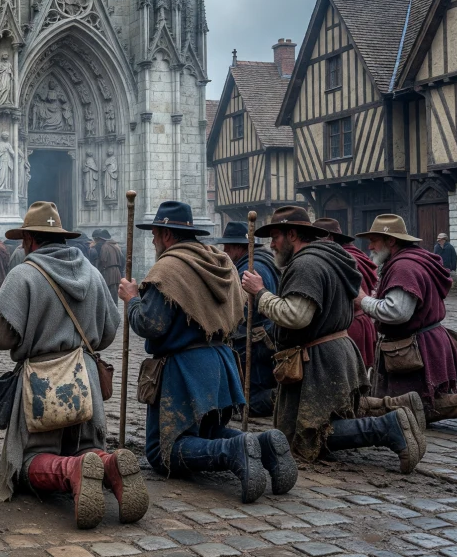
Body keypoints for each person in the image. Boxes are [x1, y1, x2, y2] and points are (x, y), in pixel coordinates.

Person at [0, 202, 147, 528]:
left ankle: (73, 472)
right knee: (86, 447)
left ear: (29, 240)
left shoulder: (24, 274)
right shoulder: (93, 275)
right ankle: (109, 464)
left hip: (42, 385)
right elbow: (109, 330)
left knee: (26, 460)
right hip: (86, 380)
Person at [242, 207, 427, 478]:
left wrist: (260, 293)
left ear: (292, 234)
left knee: (306, 438)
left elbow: (296, 316)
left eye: (276, 236)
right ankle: (398, 408)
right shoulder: (328, 256)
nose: (271, 244)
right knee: (324, 419)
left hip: (319, 358)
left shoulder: (306, 264)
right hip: (335, 350)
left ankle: (390, 427)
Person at [120, 201, 278, 504]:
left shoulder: (168, 268)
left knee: (161, 451)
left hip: (184, 367)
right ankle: (262, 445)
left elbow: (151, 324)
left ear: (166, 234)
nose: (153, 241)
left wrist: (132, 300)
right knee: (206, 431)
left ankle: (235, 450)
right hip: (221, 361)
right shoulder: (220, 261)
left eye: (154, 234)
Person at [355, 214, 457, 438]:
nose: (370, 246)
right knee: (410, 404)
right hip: (425, 340)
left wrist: (363, 301)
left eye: (375, 240)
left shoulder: (404, 267)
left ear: (391, 241)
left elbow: (397, 311)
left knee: (415, 406)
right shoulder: (411, 259)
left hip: (415, 346)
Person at [210, 221, 278, 419]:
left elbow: (244, 309)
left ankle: (276, 400)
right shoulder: (262, 261)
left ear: (238, 248)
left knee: (251, 393)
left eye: (228, 248)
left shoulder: (250, 269)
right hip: (261, 336)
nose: (225, 252)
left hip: (256, 340)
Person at [312, 219, 378, 370]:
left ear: (329, 238)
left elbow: (354, 298)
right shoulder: (350, 254)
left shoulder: (344, 259)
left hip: (350, 325)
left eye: (316, 238)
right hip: (360, 322)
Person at [91, 229, 125, 305]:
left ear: (98, 239)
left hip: (108, 274)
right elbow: (123, 262)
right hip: (116, 273)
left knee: (109, 298)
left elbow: (102, 261)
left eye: (95, 239)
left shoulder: (102, 246)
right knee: (113, 297)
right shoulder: (115, 246)